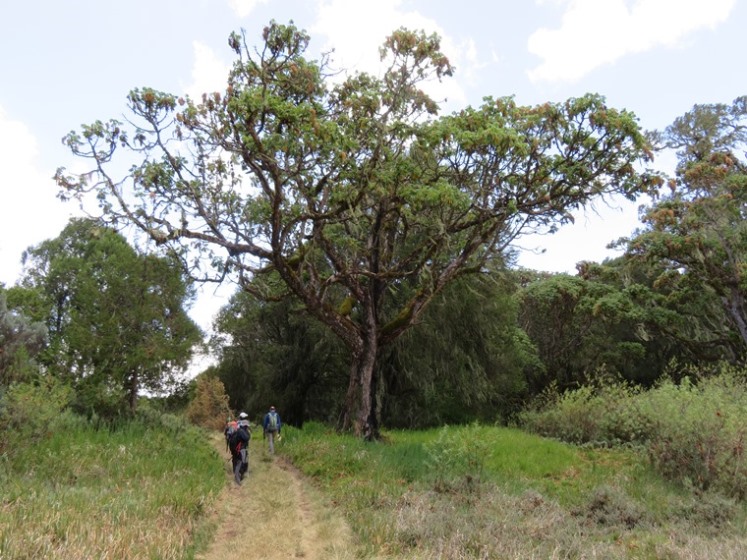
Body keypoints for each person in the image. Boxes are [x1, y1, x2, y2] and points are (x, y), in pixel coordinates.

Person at [230, 414, 251, 485]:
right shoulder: (242, 429)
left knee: (237, 461)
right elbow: (247, 438)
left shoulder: (236, 425)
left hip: (235, 448)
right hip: (241, 448)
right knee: (241, 462)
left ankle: (238, 476)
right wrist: (247, 432)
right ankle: (238, 478)